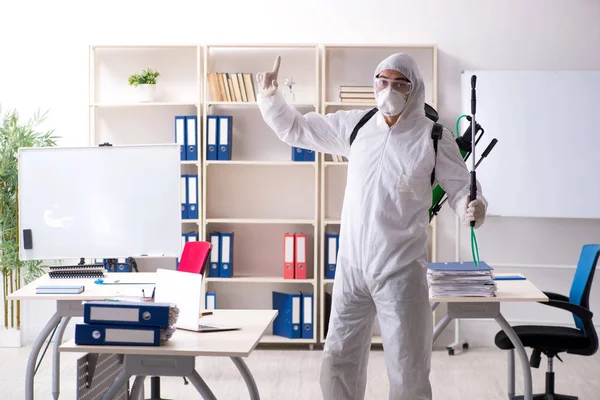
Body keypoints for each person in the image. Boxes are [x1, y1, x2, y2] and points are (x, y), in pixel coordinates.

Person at [256, 53, 487, 400]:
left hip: (400, 271)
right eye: (382, 81)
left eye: (399, 83)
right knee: (338, 360)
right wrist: (272, 99)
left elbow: (459, 188)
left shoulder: (434, 137)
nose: (388, 90)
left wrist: (473, 206)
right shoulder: (358, 125)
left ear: (414, 89)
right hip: (351, 267)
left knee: (408, 368)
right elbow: (298, 129)